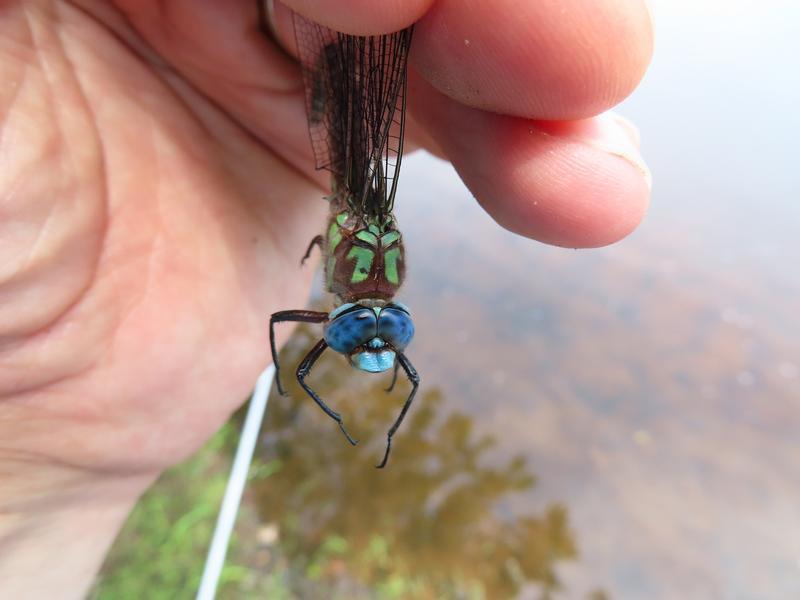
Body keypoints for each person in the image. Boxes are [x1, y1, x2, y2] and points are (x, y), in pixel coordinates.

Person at [0, 0, 652, 596]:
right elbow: (381, 371)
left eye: (367, 336)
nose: (372, 340)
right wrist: (311, 393)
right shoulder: (362, 295)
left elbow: (398, 380)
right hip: (345, 127)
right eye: (380, 334)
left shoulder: (362, 298)